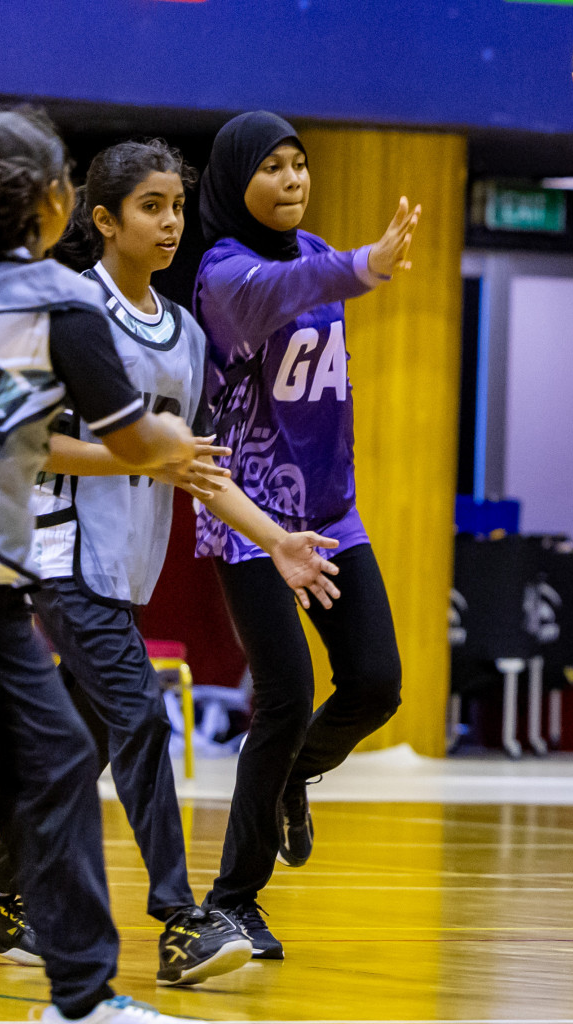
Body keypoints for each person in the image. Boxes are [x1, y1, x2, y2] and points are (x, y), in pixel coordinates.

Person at [0, 139, 343, 986]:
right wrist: (139, 456)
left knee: (72, 754)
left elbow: (195, 465)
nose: (170, 223)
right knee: (141, 720)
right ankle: (181, 922)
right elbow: (33, 442)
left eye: (177, 206)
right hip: (59, 559)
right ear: (102, 219)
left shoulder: (187, 336)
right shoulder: (64, 310)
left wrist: (274, 538)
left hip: (124, 571)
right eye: (150, 208)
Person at [0, 108, 204, 1024]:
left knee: (62, 762)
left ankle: (80, 998)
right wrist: (171, 440)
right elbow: (136, 438)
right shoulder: (64, 308)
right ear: (63, 203)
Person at [193, 111, 418, 960]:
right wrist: (361, 266)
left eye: (300, 165)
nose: (292, 181)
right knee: (284, 695)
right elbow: (279, 293)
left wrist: (345, 265)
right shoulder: (222, 272)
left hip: (329, 512)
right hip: (249, 515)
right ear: (235, 180)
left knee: (375, 684)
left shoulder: (314, 252)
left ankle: (291, 777)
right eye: (273, 168)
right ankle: (234, 902)